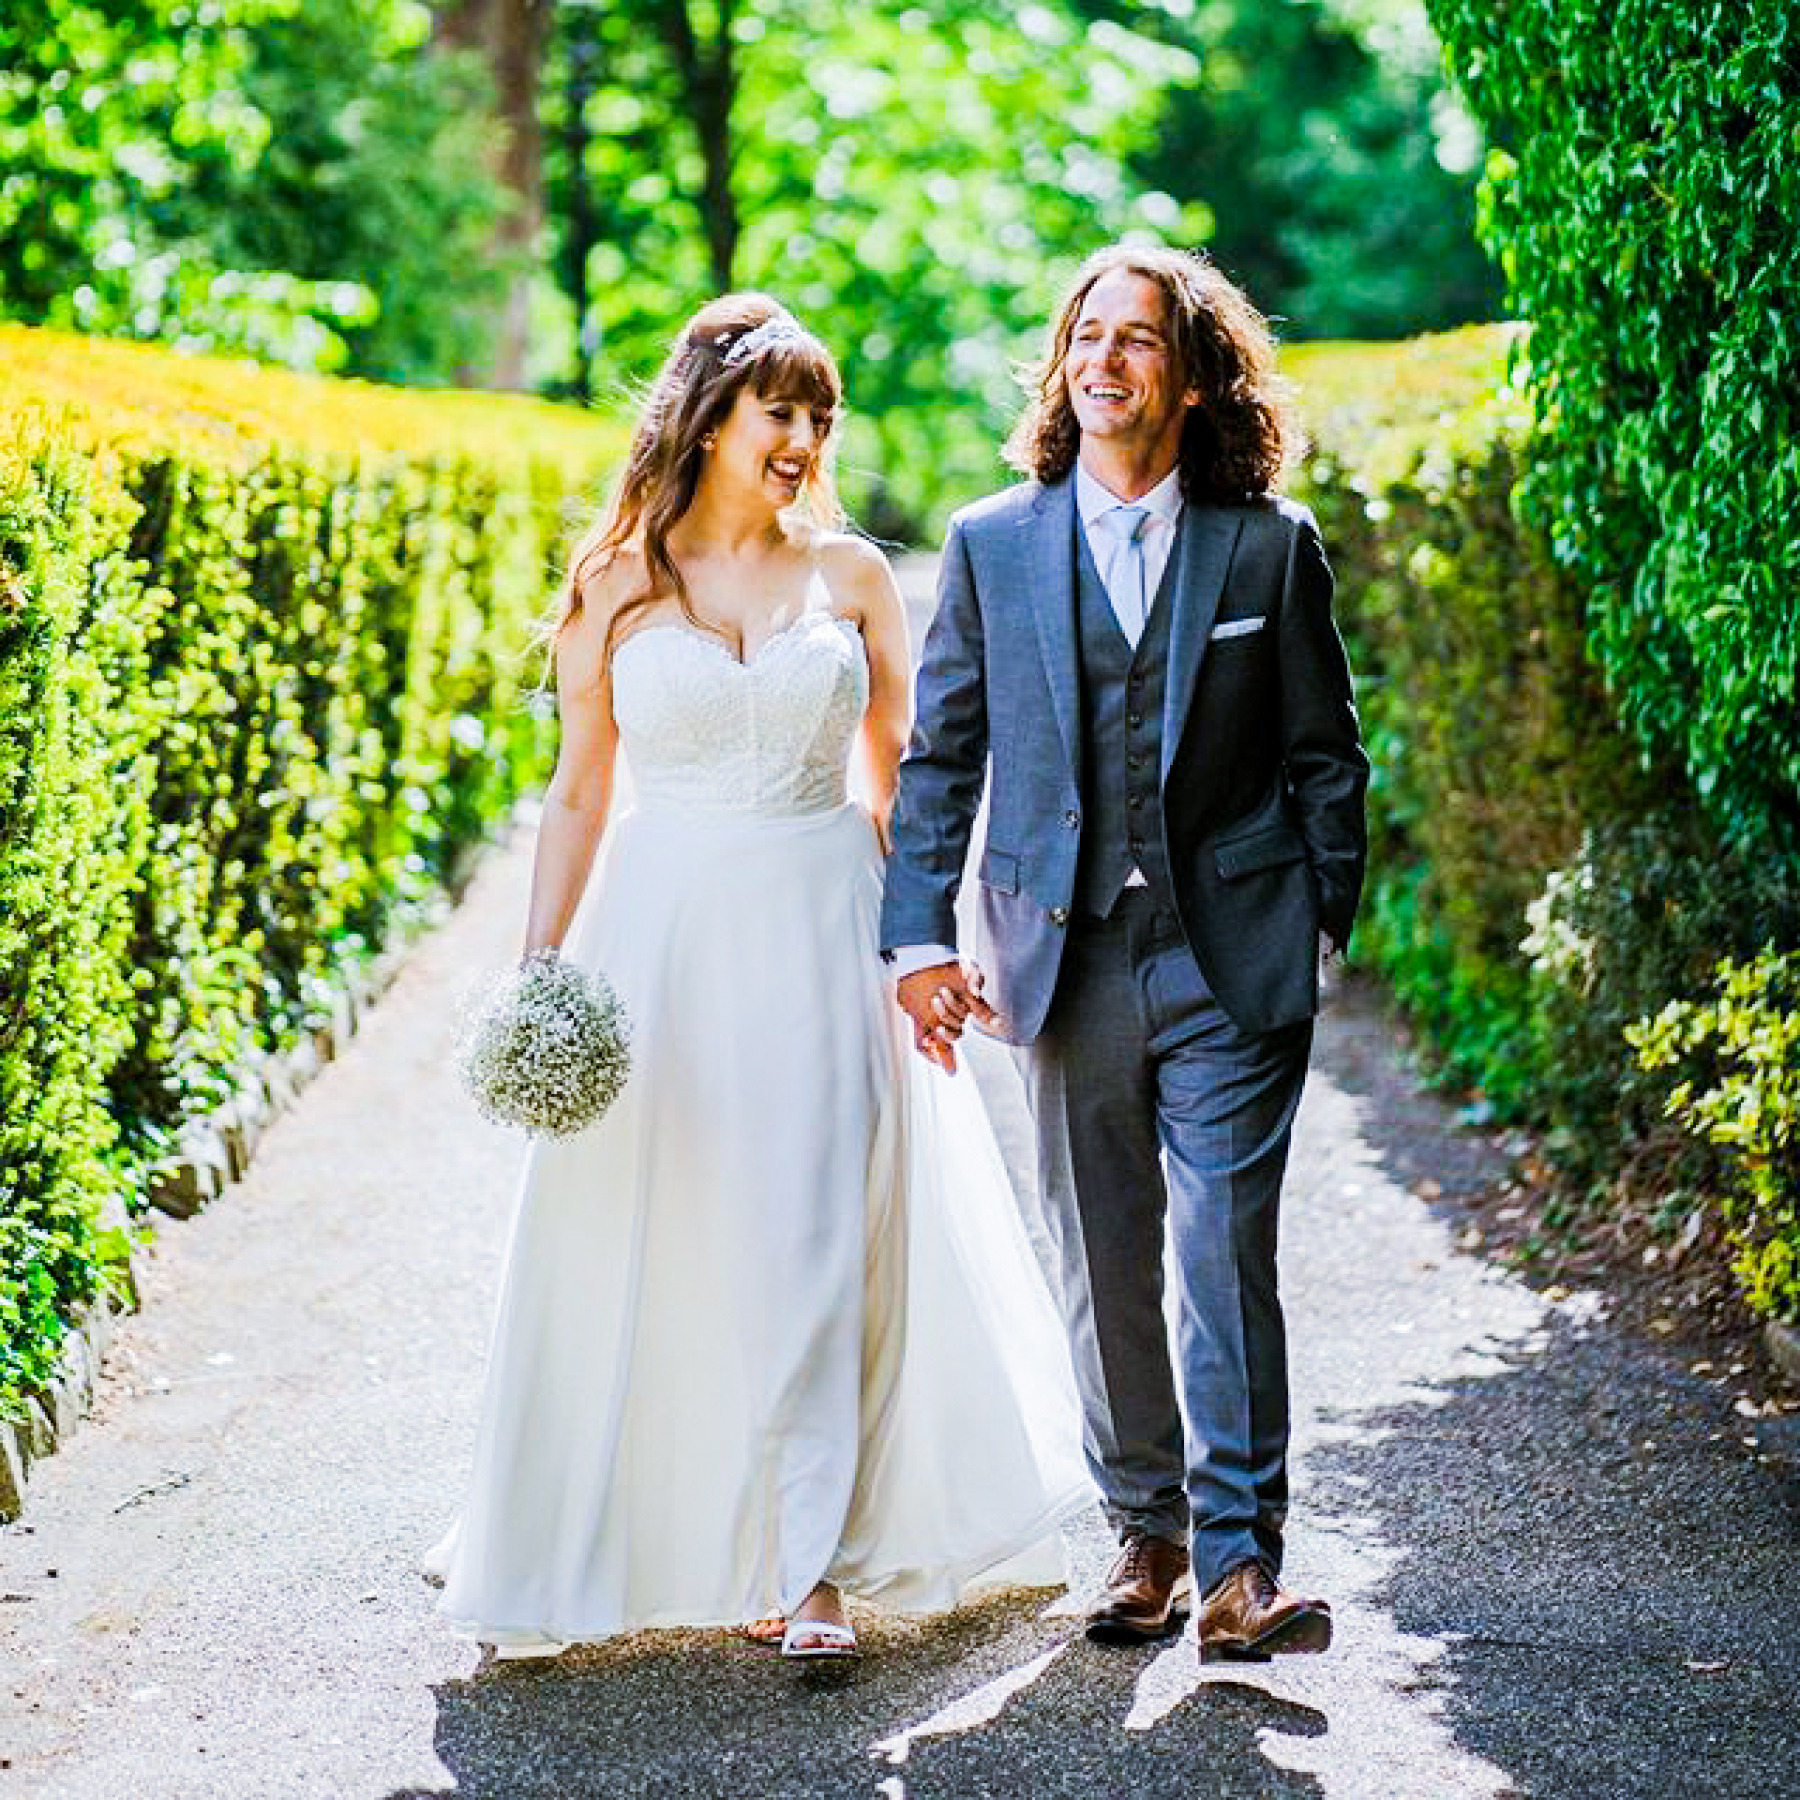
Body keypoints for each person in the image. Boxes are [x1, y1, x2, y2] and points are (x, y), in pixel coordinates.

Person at [426, 294, 1087, 1662]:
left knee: (816, 1229)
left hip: (822, 926)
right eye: (779, 411)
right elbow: (576, 794)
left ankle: (812, 1566)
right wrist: (539, 970)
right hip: (661, 937)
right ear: (710, 417)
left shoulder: (851, 580)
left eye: (819, 416)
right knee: (659, 1231)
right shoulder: (616, 585)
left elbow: (907, 782)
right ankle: (642, 1534)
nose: (803, 438)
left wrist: (928, 948)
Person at [880, 245, 1368, 1660]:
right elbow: (941, 758)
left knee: (1224, 1254)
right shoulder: (991, 544)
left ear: (1194, 371)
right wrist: (917, 934)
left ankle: (1239, 1566)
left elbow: (1323, 751)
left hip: (1231, 958)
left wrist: (1318, 911)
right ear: (1063, 368)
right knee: (1101, 1258)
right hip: (1065, 953)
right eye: (1086, 338)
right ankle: (1143, 1538)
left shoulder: (1268, 545)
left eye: (1138, 340)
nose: (1106, 361)